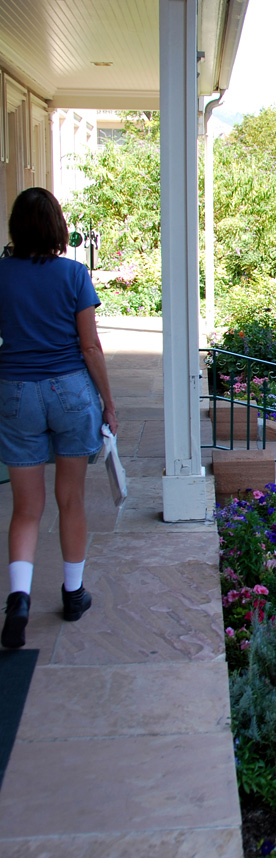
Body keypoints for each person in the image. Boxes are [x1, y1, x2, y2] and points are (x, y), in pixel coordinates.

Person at [0, 188, 117, 650]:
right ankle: (73, 594)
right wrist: (108, 401)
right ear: (57, 227)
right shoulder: (73, 274)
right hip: (70, 391)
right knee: (71, 500)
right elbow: (89, 346)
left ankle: (20, 599)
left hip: (16, 394)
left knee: (26, 509)